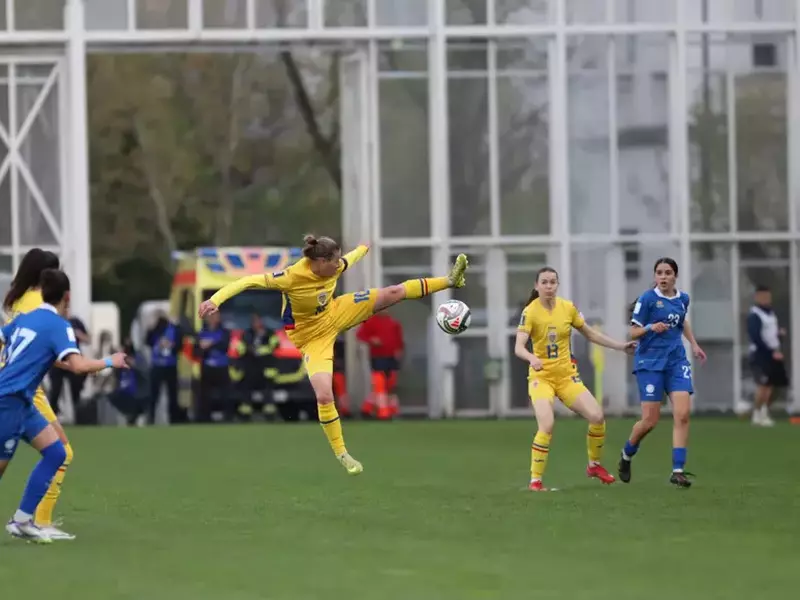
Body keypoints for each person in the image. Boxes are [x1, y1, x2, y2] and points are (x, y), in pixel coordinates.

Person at [199, 234, 469, 475]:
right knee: (325, 395)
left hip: (337, 311)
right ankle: (342, 454)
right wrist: (215, 300)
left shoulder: (334, 265)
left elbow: (350, 259)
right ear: (320, 261)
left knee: (394, 292)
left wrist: (363, 248)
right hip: (311, 338)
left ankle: (449, 280)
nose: (339, 266)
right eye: (334, 261)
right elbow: (247, 281)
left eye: (339, 260)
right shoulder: (291, 277)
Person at [0, 269, 129, 543]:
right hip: (8, 402)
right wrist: (111, 361)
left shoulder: (26, 318)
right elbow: (79, 366)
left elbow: (9, 339)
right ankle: (23, 520)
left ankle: (22, 520)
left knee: (56, 452)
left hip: (22, 403)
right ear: (67, 296)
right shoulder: (59, 325)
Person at [514, 266, 636, 492]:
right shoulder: (530, 312)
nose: (549, 286)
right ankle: (535, 482)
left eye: (553, 282)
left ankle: (594, 465)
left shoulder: (567, 308)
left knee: (597, 416)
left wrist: (620, 346)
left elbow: (590, 334)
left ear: (557, 285)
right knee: (547, 424)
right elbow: (519, 347)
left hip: (566, 377)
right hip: (541, 378)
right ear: (537, 286)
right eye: (545, 282)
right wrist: (532, 358)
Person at [1, 249, 77, 539]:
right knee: (61, 452)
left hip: (16, 383)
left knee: (57, 451)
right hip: (22, 391)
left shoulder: (16, 299)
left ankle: (29, 520)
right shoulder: (39, 305)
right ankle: (37, 522)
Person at [618, 257, 707, 488]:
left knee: (683, 413)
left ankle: (677, 470)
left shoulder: (683, 299)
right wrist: (650, 327)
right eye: (659, 273)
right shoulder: (648, 299)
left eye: (668, 272)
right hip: (650, 363)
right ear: (655, 276)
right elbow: (633, 332)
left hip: (676, 362)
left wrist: (694, 344)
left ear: (675, 275)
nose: (664, 277)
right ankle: (627, 455)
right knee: (650, 421)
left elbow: (682, 322)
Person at [747, 285, 787, 427]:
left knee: (772, 385)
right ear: (757, 297)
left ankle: (764, 412)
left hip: (773, 354)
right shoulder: (755, 314)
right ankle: (756, 414)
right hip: (760, 354)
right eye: (763, 296)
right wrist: (771, 351)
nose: (766, 299)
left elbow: (771, 334)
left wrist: (779, 335)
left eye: (767, 296)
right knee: (763, 385)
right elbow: (756, 337)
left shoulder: (771, 313)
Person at [356, 312, 404, 419]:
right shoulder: (370, 321)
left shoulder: (393, 322)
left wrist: (399, 351)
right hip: (378, 357)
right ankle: (383, 413)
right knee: (380, 385)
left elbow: (399, 340)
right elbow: (360, 335)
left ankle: (367, 409)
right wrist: (371, 340)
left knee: (390, 386)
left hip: (392, 358)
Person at [145, 312, 186, 424]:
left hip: (170, 365)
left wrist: (171, 345)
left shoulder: (174, 329)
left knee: (172, 395)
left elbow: (180, 345)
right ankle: (151, 418)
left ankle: (174, 419)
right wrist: (150, 328)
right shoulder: (154, 331)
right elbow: (148, 341)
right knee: (154, 395)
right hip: (157, 365)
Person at [47, 314, 91, 415]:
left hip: (73, 359)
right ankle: (53, 416)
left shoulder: (75, 322)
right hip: (58, 360)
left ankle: (78, 415)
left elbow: (88, 339)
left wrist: (78, 334)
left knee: (76, 387)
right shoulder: (53, 322)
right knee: (55, 390)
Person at [194, 311, 231, 422]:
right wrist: (202, 347)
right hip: (207, 367)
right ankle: (205, 418)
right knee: (205, 394)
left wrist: (210, 344)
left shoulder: (224, 331)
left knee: (225, 393)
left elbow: (224, 345)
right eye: (211, 316)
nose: (214, 318)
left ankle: (227, 416)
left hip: (221, 366)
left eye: (216, 316)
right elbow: (197, 350)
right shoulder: (202, 332)